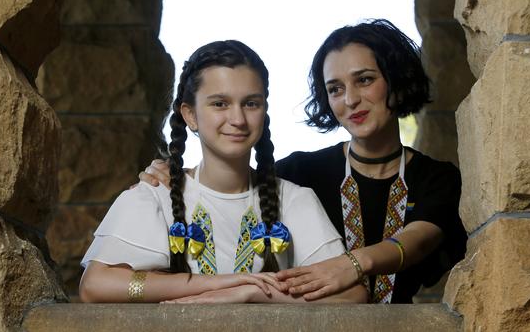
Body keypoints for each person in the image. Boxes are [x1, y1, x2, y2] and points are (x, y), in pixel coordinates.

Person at [139, 20, 467, 303]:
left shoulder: (436, 178)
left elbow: (418, 241)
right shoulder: (298, 173)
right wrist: (180, 176)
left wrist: (352, 263)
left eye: (364, 80)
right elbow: (232, 189)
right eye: (335, 89)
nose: (350, 99)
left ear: (396, 79)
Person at [79, 40, 367, 304]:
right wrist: (219, 284)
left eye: (251, 103)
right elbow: (96, 286)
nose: (238, 119)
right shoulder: (155, 193)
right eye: (220, 104)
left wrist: (252, 294)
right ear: (189, 114)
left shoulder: (294, 200)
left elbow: (353, 296)